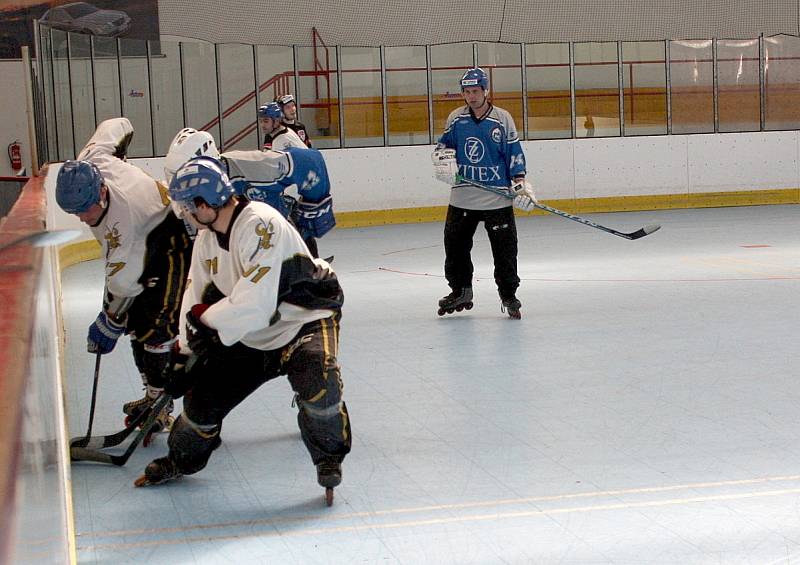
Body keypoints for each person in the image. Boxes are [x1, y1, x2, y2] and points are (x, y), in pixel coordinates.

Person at [134, 156, 351, 506]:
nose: (186, 215)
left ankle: (328, 456)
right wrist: (184, 354)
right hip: (251, 335)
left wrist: (205, 322)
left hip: (304, 320)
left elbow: (255, 305)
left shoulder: (262, 226)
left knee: (318, 380)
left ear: (204, 204)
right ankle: (181, 458)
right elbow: (195, 297)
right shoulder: (207, 239)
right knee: (202, 402)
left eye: (188, 207)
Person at [54, 117, 192, 432]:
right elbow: (119, 124)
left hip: (172, 240)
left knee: (156, 326)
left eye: (86, 209)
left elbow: (123, 284)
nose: (82, 218)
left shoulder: (121, 223)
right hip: (144, 235)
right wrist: (121, 153)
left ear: (101, 190)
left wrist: (109, 321)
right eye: (75, 212)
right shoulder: (92, 159)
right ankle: (153, 395)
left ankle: (161, 400)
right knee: (135, 324)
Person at [432, 67, 536, 319]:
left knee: (505, 252)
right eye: (467, 92)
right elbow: (444, 147)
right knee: (455, 248)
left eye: (476, 91)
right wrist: (442, 162)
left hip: (496, 198)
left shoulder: (502, 119)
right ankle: (461, 290)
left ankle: (509, 295)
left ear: (486, 91)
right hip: (463, 197)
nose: (472, 96)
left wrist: (520, 182)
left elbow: (513, 152)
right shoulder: (456, 118)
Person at [164, 127, 334, 259]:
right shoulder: (182, 197)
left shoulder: (251, 166)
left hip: (284, 249)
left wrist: (313, 215)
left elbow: (309, 161)